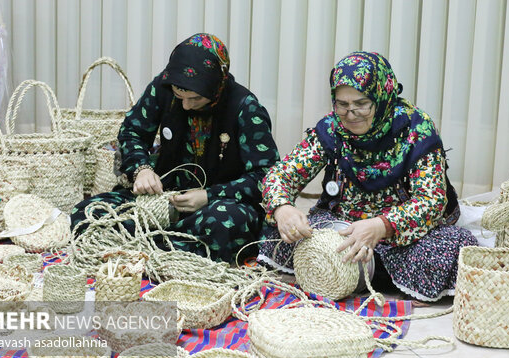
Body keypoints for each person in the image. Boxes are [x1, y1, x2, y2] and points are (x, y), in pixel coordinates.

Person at [258, 51, 477, 302]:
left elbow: (431, 201)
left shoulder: (417, 130)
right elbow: (279, 176)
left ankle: (362, 269)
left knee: (444, 252)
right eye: (342, 104)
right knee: (278, 235)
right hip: (343, 226)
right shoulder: (332, 128)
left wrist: (380, 226)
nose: (351, 114)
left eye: (361, 104)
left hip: (399, 234)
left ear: (381, 96)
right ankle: (364, 269)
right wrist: (282, 208)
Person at [71, 33, 280, 263]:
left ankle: (139, 247)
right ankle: (167, 248)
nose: (185, 105)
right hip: (162, 199)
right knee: (87, 212)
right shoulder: (164, 86)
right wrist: (142, 169)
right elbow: (132, 132)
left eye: (195, 99)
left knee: (225, 227)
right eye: (179, 96)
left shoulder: (245, 108)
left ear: (216, 86)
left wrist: (208, 196)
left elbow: (266, 176)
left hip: (217, 207)